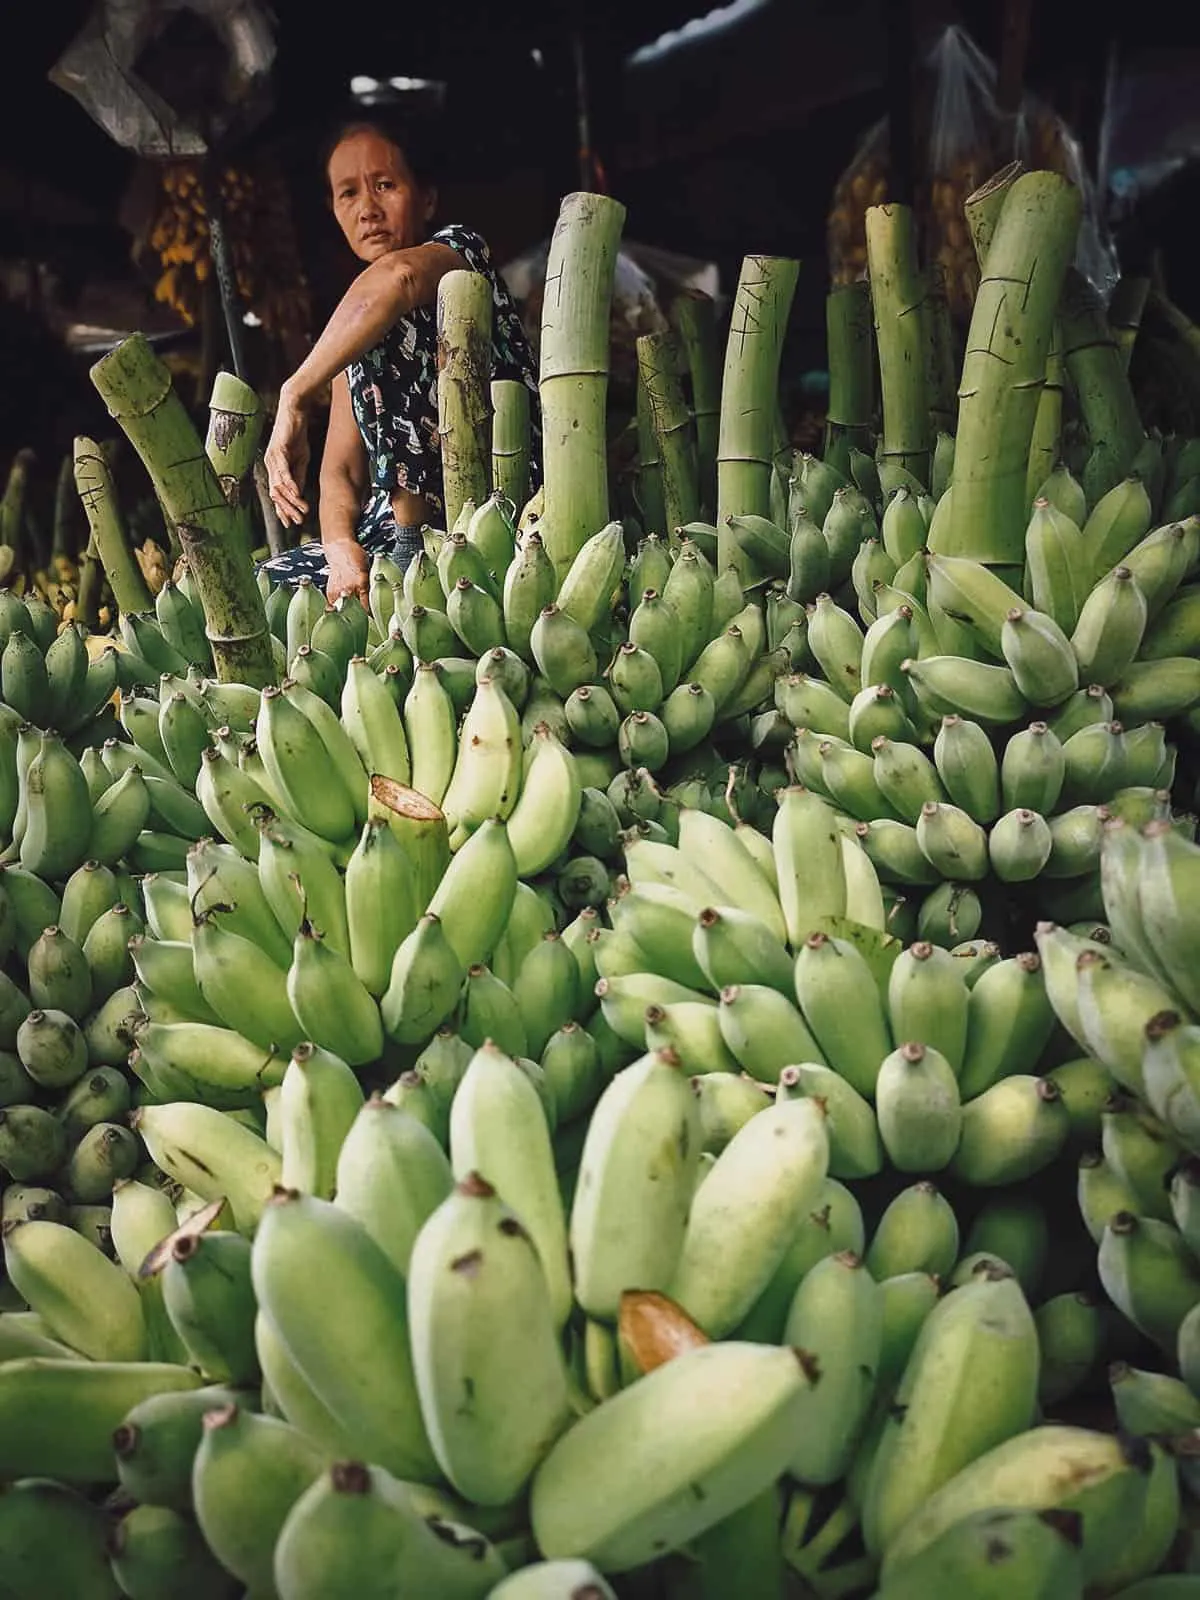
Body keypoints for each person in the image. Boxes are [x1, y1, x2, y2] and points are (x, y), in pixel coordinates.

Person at [261, 110, 540, 606]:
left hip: (497, 508)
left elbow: (399, 281)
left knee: (389, 310)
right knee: (268, 584)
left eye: (385, 185)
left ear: (426, 198)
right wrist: (341, 547)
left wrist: (294, 393)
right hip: (384, 531)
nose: (367, 208)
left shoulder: (459, 251)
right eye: (348, 193)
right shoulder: (353, 320)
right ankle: (397, 559)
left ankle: (414, 563)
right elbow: (339, 474)